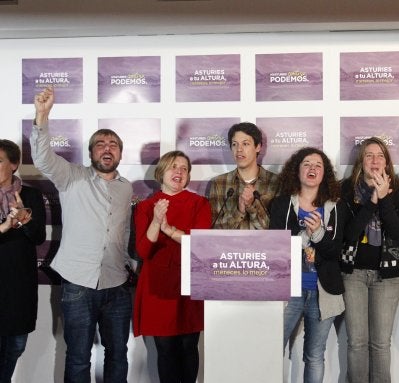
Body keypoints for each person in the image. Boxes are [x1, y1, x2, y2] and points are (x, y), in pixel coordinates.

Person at [30, 87, 133, 383]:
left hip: (117, 285)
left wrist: (129, 264)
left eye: (113, 144)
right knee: (77, 357)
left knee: (118, 354)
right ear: (91, 153)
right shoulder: (70, 177)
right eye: (100, 143)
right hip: (78, 284)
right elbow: (43, 158)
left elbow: (122, 230)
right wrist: (42, 116)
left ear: (120, 153)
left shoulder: (126, 187)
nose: (107, 148)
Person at [132, 150, 211, 383]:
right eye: (173, 166)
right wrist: (157, 222)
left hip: (189, 283)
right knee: (165, 349)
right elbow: (144, 251)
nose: (179, 172)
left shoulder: (200, 203)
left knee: (188, 345)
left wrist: (169, 230)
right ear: (161, 172)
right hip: (158, 286)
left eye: (184, 168)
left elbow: (200, 244)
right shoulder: (146, 207)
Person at [269, 147, 346, 383]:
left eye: (318, 165)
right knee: (271, 350)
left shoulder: (337, 207)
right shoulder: (281, 204)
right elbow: (275, 245)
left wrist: (320, 234)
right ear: (297, 170)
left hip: (323, 291)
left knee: (314, 356)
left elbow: (335, 252)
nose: (312, 168)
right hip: (287, 291)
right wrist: (306, 234)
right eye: (306, 164)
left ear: (325, 174)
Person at [340, 137, 399, 383]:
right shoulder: (346, 189)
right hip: (353, 274)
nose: (375, 160)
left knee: (380, 344)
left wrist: (385, 199)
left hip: (388, 276)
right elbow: (348, 234)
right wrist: (372, 202)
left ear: (387, 162)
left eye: (380, 155)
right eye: (369, 155)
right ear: (361, 160)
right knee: (357, 342)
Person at [0, 139, 46, 383]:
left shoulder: (30, 195)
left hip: (19, 285)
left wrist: (25, 218)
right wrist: (4, 227)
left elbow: (39, 237)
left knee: (16, 346)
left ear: (14, 164)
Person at [208, 122, 278, 229]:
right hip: (228, 246)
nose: (239, 149)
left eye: (245, 144)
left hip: (264, 245)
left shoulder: (276, 182)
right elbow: (214, 230)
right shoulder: (218, 183)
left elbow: (278, 230)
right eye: (235, 144)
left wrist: (251, 206)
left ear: (258, 147)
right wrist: (239, 211)